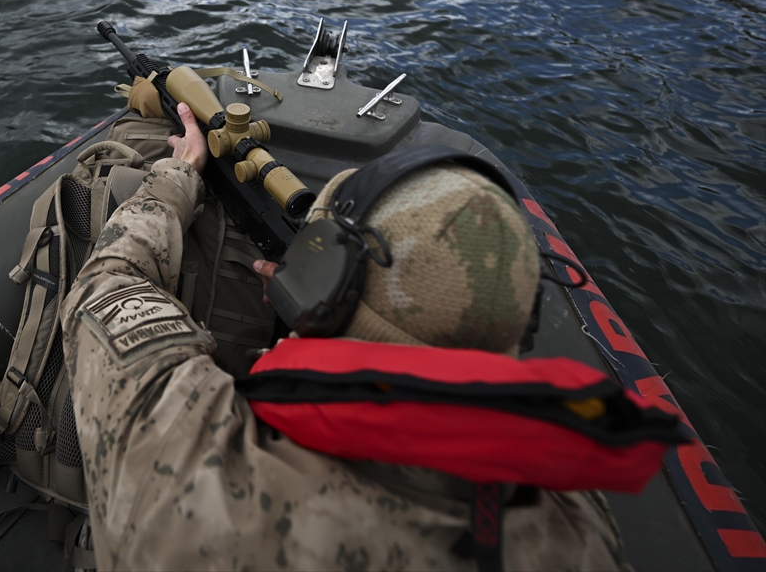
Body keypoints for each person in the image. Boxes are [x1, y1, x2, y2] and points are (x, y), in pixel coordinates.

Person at [58, 102, 632, 571]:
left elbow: (104, 286)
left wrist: (177, 174)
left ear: (320, 287)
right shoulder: (579, 527)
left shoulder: (190, 455)